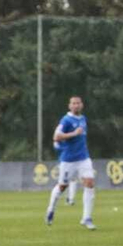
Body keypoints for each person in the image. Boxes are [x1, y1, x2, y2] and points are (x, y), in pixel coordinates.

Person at [46, 96, 95, 230]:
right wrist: (73, 133)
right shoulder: (66, 120)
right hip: (69, 160)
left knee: (90, 183)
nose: (76, 105)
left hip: (84, 158)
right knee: (62, 187)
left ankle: (86, 218)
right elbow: (56, 137)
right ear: (69, 106)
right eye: (73, 103)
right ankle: (51, 209)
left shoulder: (83, 119)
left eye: (78, 103)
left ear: (82, 105)